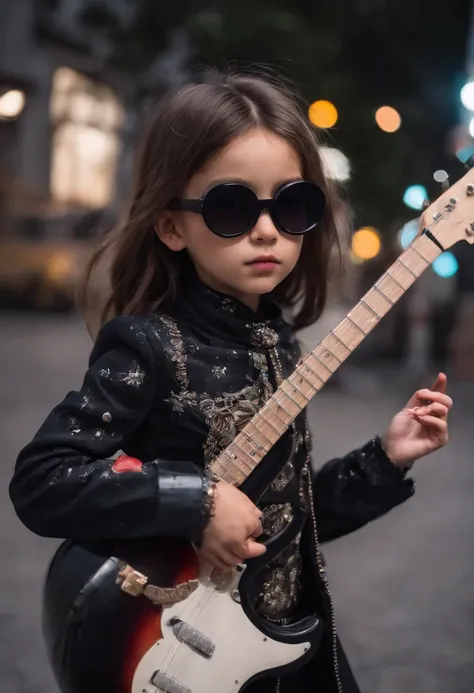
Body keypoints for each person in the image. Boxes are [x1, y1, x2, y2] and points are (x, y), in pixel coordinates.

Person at [9, 68, 453, 693]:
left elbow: (287, 521)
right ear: (171, 225)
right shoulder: (148, 348)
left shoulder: (281, 346)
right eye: (231, 207)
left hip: (292, 646)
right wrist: (200, 500)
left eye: (292, 204)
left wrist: (385, 459)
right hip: (177, 649)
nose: (267, 229)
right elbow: (43, 480)